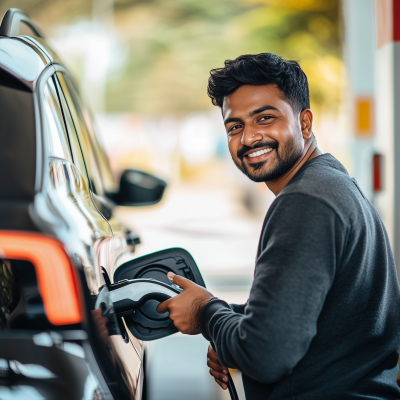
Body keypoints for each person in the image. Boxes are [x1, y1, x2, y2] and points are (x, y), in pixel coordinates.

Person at [156, 53, 400, 399]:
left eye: (265, 118)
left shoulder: (306, 202)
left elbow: (267, 354)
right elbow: (316, 318)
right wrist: (230, 326)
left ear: (304, 123)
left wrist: (206, 314)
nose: (250, 138)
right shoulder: (333, 185)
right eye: (235, 126)